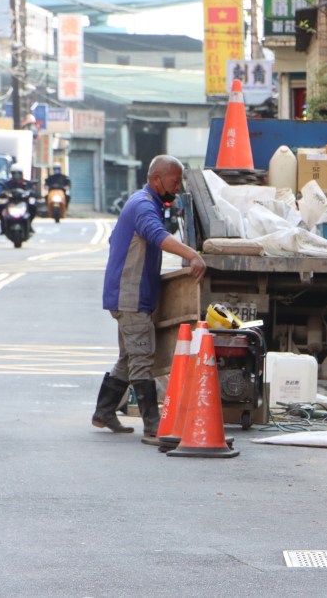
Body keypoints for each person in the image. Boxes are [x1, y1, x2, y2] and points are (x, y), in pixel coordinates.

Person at [92, 155, 206, 440]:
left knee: (129, 358)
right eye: (175, 180)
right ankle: (153, 424)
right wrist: (192, 254)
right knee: (142, 358)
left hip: (127, 294)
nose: (178, 186)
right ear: (157, 179)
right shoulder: (143, 205)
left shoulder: (146, 202)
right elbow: (156, 235)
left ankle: (104, 413)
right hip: (130, 296)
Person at [0, 166, 37, 235]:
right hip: (11, 203)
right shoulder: (8, 184)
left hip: (23, 203)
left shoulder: (27, 183)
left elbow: (33, 191)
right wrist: (5, 194)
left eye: (18, 173)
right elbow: (2, 192)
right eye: (14, 173)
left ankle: (29, 225)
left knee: (33, 207)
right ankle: (3, 226)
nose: (17, 175)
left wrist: (30, 193)